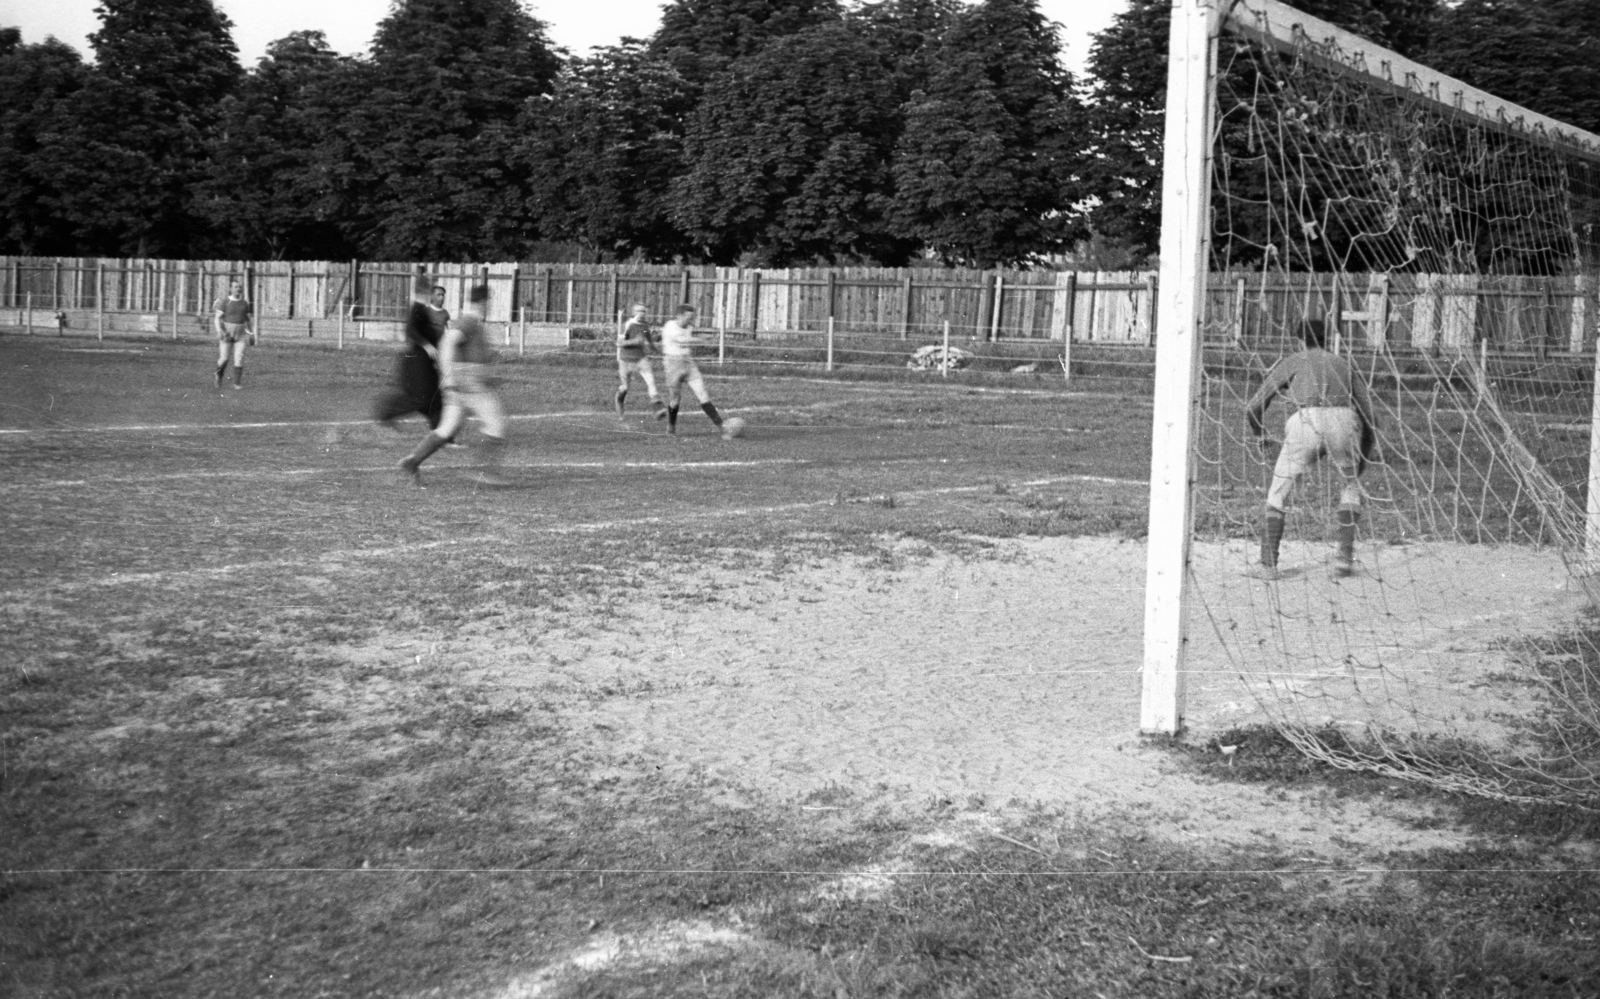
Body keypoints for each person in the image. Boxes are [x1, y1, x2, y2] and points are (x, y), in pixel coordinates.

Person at [1244, 319, 1378, 578]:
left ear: (1299, 340)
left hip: (1305, 420)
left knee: (1278, 491)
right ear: (1327, 339)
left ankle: (1267, 564)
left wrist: (1261, 437)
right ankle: (1343, 559)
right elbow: (1371, 417)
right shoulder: (1344, 365)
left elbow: (1252, 407)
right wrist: (1364, 451)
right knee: (1349, 486)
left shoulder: (1293, 360)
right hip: (1343, 419)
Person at [399, 284, 509, 487]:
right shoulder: (469, 321)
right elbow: (448, 343)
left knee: (447, 428)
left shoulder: (471, 321)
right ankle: (482, 471)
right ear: (483, 302)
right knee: (496, 424)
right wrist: (449, 380)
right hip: (467, 383)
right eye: (488, 302)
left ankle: (412, 462)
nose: (489, 306)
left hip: (463, 382)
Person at [375, 277, 446, 432]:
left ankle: (441, 436)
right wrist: (426, 345)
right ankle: (386, 413)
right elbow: (410, 330)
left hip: (423, 364)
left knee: (435, 401)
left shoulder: (421, 310)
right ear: (427, 292)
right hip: (417, 364)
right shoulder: (418, 309)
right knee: (421, 399)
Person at [658, 304, 735, 439]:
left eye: (693, 317)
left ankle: (722, 428)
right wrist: (702, 339)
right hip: (672, 365)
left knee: (703, 395)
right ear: (680, 316)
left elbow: (686, 343)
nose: (691, 320)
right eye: (689, 317)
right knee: (675, 399)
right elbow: (682, 341)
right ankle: (671, 427)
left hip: (688, 363)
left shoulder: (689, 327)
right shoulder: (670, 327)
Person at [615, 303, 666, 421]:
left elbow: (647, 337)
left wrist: (654, 348)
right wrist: (635, 342)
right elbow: (619, 343)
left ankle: (658, 410)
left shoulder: (644, 325)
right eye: (639, 311)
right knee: (625, 388)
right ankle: (620, 411)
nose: (642, 313)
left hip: (640, 359)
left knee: (651, 382)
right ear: (633, 313)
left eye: (643, 311)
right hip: (626, 360)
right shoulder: (628, 325)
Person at [212, 279, 255, 390]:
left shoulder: (244, 303)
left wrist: (251, 334)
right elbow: (217, 318)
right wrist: (219, 331)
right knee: (224, 358)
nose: (238, 289)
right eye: (235, 287)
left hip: (240, 334)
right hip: (227, 333)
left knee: (239, 358)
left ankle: (237, 384)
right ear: (231, 289)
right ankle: (218, 375)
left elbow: (248, 321)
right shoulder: (225, 302)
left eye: (239, 287)